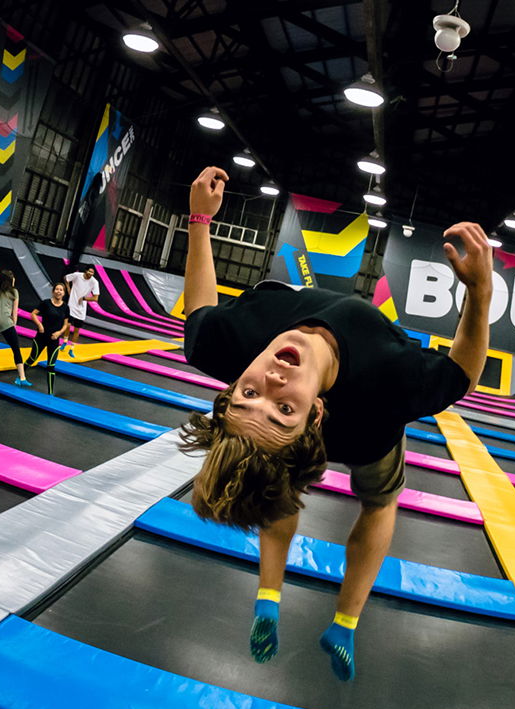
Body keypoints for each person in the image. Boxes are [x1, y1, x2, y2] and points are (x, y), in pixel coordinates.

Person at [176, 167, 491, 682]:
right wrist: (480, 292)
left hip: (342, 432)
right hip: (372, 436)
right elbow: (462, 374)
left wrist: (199, 220)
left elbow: (198, 313)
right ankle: (345, 622)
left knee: (272, 478)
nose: (273, 380)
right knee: (380, 501)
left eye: (250, 395)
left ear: (231, 386)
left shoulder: (230, 343)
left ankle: (272, 599)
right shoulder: (392, 382)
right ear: (316, 415)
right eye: (284, 409)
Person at [0, 270, 33, 387]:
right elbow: (15, 313)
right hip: (6, 323)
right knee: (16, 349)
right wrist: (13, 324)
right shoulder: (14, 292)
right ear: (10, 281)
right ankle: (22, 378)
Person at [29, 280, 77, 367]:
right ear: (53, 291)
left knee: (51, 366)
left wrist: (59, 333)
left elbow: (66, 324)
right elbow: (33, 314)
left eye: (61, 290)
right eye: (57, 289)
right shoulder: (46, 303)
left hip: (54, 339)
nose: (59, 291)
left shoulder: (66, 307)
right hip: (41, 337)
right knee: (32, 359)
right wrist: (40, 325)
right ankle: (20, 378)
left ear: (64, 293)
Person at [64, 263, 101, 328]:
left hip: (81, 308)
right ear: (86, 270)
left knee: (77, 328)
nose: (90, 273)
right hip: (72, 304)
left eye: (92, 272)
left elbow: (96, 298)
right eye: (89, 271)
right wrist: (68, 289)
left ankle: (73, 338)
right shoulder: (77, 275)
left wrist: (83, 298)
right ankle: (65, 338)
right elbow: (66, 278)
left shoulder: (94, 282)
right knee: (68, 324)